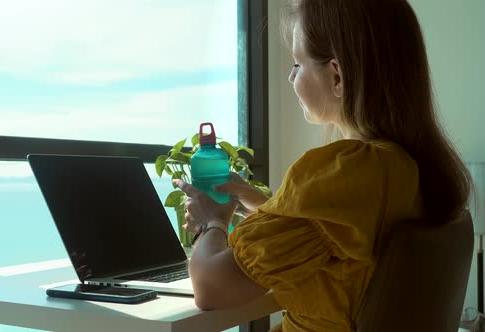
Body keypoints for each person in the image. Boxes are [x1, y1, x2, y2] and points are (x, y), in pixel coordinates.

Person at [173, 0, 473, 331]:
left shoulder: (347, 169)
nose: (290, 76)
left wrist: (211, 221)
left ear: (336, 76)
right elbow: (344, 241)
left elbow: (212, 288)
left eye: (298, 63)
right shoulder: (405, 168)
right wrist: (263, 208)